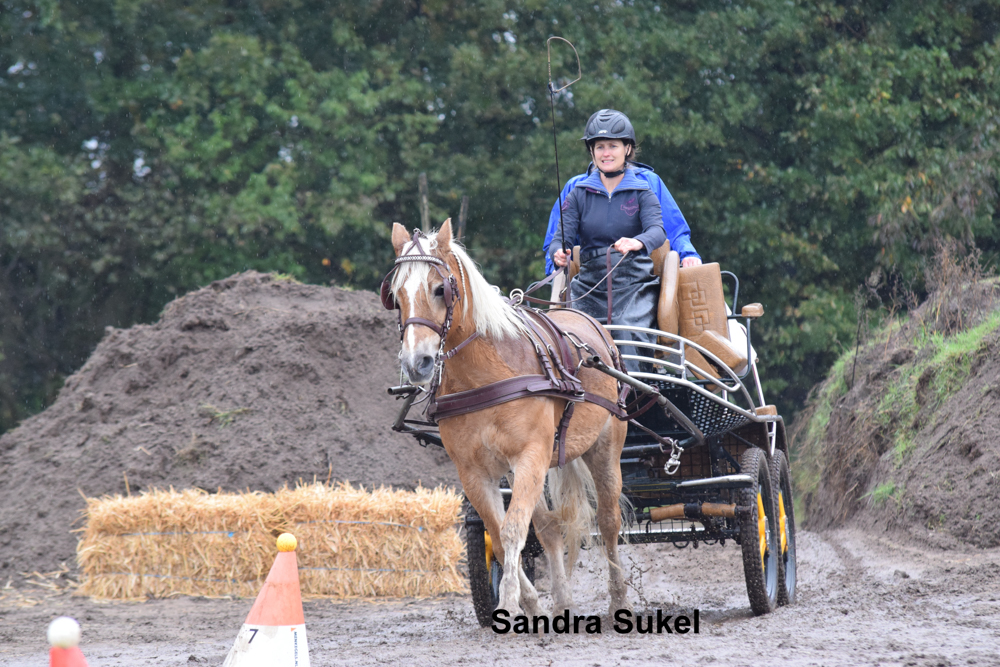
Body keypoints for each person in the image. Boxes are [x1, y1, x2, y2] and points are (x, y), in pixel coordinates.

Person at [546, 109, 699, 373]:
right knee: (569, 332)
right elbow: (559, 236)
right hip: (589, 283)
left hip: (632, 280)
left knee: (627, 327)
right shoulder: (577, 189)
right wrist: (557, 256)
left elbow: (663, 229)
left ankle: (632, 394)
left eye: (613, 146)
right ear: (591, 151)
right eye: (600, 147)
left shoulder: (646, 185)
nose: (606, 153)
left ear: (627, 148)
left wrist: (681, 251)